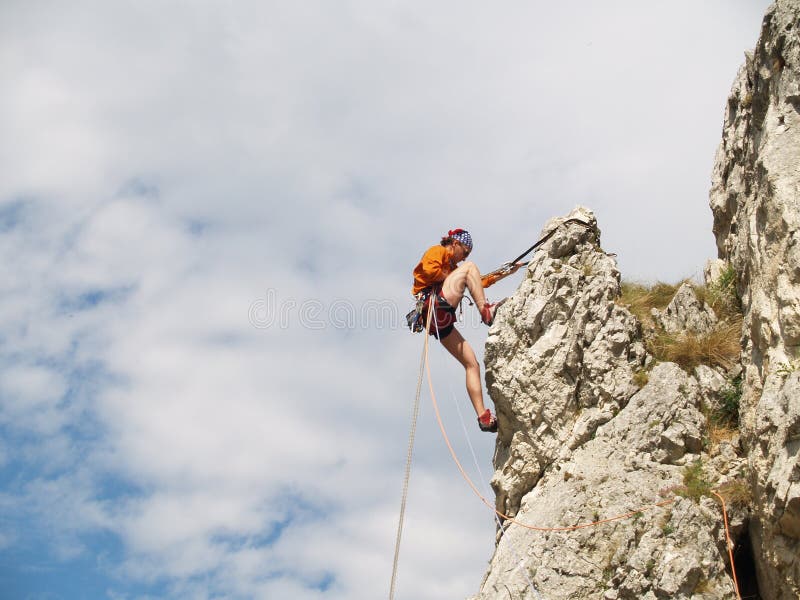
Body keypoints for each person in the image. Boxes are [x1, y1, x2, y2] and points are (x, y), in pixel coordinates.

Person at [411, 228, 518, 433]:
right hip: (435, 305)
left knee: (472, 363)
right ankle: (485, 311)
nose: (465, 256)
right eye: (465, 251)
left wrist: (506, 271)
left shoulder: (454, 269)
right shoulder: (439, 251)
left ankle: (482, 416)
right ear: (454, 244)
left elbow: (479, 282)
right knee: (469, 268)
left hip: (440, 321)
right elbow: (428, 269)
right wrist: (454, 276)